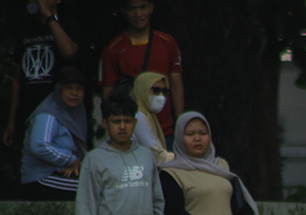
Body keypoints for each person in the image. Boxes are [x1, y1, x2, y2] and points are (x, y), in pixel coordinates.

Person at [99, 0, 184, 145]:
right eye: (132, 9)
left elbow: (176, 85)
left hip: (165, 131)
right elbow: (108, 93)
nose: (138, 14)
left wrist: (180, 124)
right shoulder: (114, 48)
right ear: (124, 11)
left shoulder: (167, 42)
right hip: (130, 134)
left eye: (143, 7)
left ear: (151, 8)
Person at [3, 0, 80, 151]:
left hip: (58, 113)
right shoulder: (25, 32)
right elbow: (17, 80)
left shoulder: (68, 27)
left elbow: (69, 52)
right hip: (28, 111)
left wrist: (50, 17)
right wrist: (11, 121)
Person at [21, 65, 88, 200]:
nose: (74, 93)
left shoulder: (76, 111)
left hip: (60, 173)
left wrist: (74, 165)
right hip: (41, 177)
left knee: (96, 185)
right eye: (69, 88)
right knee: (91, 189)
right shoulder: (48, 114)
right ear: (59, 90)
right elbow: (39, 146)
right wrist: (70, 159)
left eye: (78, 89)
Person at [130, 71, 174, 166]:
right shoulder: (138, 116)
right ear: (142, 90)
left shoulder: (148, 115)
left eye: (164, 92)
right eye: (156, 90)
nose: (161, 96)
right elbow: (157, 156)